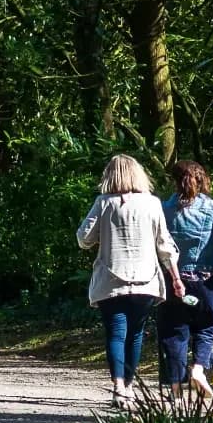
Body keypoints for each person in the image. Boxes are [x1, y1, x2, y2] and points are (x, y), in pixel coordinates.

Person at [78, 154, 183, 402]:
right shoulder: (153, 203)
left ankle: (118, 387)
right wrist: (176, 278)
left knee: (116, 333)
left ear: (110, 175)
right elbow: (164, 244)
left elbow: (84, 238)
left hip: (111, 279)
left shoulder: (103, 203)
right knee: (135, 334)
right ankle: (130, 385)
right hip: (146, 279)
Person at [158, 160, 213, 400]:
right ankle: (198, 368)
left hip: (174, 279)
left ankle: (174, 390)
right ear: (202, 179)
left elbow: (158, 242)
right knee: (206, 327)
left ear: (175, 182)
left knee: (174, 331)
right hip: (206, 280)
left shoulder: (164, 209)